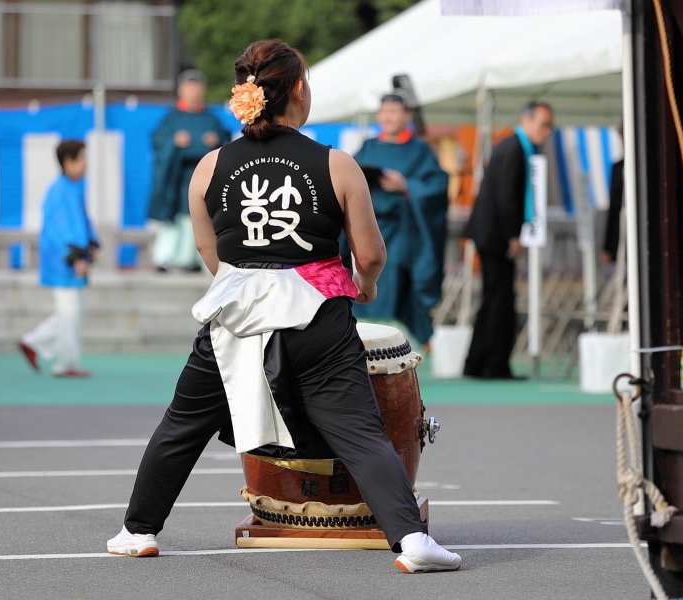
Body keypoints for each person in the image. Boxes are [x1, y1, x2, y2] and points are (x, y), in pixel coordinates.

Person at [107, 40, 461, 574]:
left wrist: (248, 292)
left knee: (183, 424)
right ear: (297, 90)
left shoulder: (208, 166)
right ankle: (411, 541)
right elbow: (370, 253)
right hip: (316, 310)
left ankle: (137, 531)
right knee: (360, 431)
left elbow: (212, 252)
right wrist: (360, 286)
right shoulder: (337, 164)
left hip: (234, 314)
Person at [342, 93, 449, 347]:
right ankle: (362, 345)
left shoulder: (420, 149)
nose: (387, 116)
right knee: (361, 278)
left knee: (396, 281)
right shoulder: (368, 146)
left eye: (394, 111)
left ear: (407, 115)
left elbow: (437, 185)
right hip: (366, 227)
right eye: (384, 111)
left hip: (404, 231)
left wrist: (406, 185)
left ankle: (400, 345)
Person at [462, 102, 554, 380]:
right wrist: (514, 235)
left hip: (490, 233)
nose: (546, 131)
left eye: (549, 126)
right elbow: (507, 198)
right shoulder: (515, 147)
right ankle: (493, 365)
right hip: (497, 235)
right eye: (543, 124)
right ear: (526, 121)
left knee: (493, 300)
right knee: (500, 302)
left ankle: (477, 363)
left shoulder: (510, 145)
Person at [18, 140, 98, 378]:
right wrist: (75, 257)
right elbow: (58, 230)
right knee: (69, 312)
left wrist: (91, 243)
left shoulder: (74, 187)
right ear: (68, 161)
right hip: (62, 262)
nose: (86, 164)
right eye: (82, 158)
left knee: (70, 313)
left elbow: (83, 221)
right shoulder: (58, 190)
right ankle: (64, 363)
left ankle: (34, 343)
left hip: (70, 259)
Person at [147, 69, 231, 272]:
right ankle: (164, 258)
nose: (194, 90)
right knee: (174, 220)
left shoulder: (211, 119)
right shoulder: (171, 118)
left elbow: (225, 141)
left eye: (197, 86)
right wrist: (174, 143)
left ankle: (190, 260)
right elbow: (159, 141)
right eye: (189, 86)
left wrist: (217, 141)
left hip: (203, 180)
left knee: (196, 218)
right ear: (180, 90)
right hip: (176, 180)